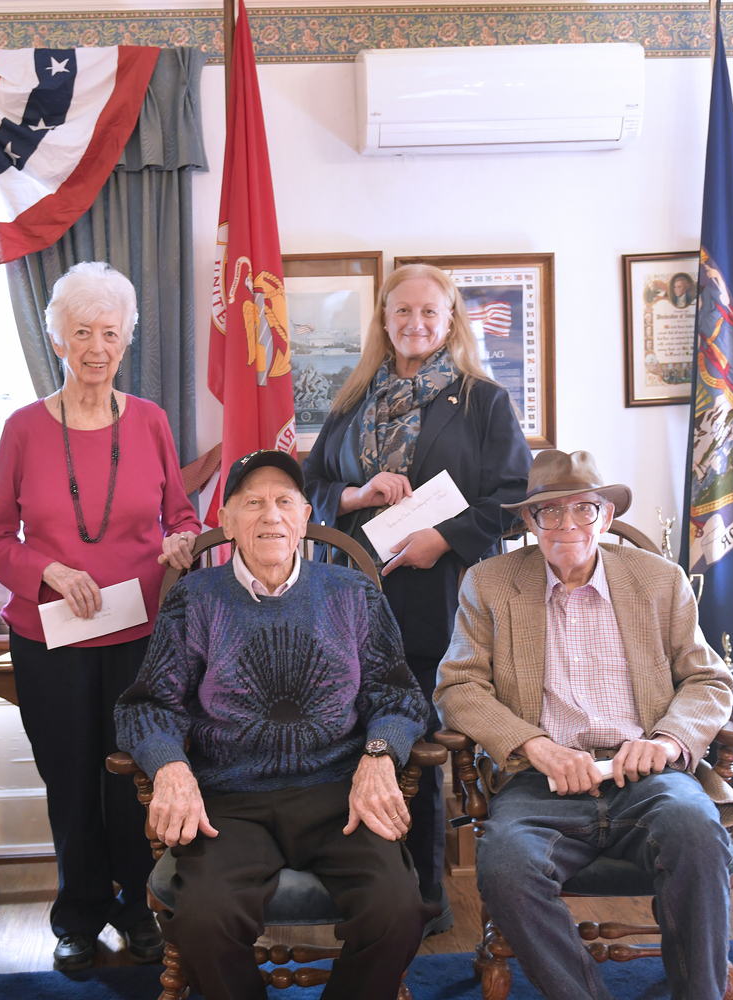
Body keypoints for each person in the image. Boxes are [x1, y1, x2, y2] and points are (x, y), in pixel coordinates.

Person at [116, 450, 432, 1000]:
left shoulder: (351, 595)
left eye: (285, 502)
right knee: (202, 917)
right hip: (232, 801)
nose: (271, 516)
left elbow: (398, 694)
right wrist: (170, 766)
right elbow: (146, 706)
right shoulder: (196, 599)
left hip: (339, 795)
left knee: (398, 910)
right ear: (228, 521)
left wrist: (380, 754)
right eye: (253, 504)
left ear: (306, 517)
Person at [434, 449, 733, 1000]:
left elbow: (709, 681)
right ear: (529, 522)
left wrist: (668, 741)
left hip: (645, 776)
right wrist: (532, 745)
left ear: (605, 516)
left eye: (585, 509)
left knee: (696, 832)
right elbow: (458, 687)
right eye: (551, 512)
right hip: (540, 782)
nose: (569, 525)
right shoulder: (489, 584)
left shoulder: (660, 581)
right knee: (505, 866)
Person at [0, 261, 202, 971]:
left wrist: (183, 540)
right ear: (58, 340)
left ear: (127, 338)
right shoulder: (20, 429)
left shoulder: (151, 422)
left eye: (110, 332)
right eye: (82, 332)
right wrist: (47, 570)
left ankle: (140, 909)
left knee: (131, 773)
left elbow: (181, 513)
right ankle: (77, 914)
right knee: (70, 774)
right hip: (48, 633)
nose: (96, 346)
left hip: (137, 631)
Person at [302, 262, 532, 932]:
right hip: (346, 594)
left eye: (429, 313)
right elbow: (309, 488)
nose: (415, 324)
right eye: (402, 312)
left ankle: (424, 897)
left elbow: (513, 501)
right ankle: (365, 890)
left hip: (434, 596)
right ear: (383, 319)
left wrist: (447, 538)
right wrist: (357, 495)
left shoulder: (482, 401)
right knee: (351, 737)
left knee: (419, 744)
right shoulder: (349, 398)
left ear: (450, 320)